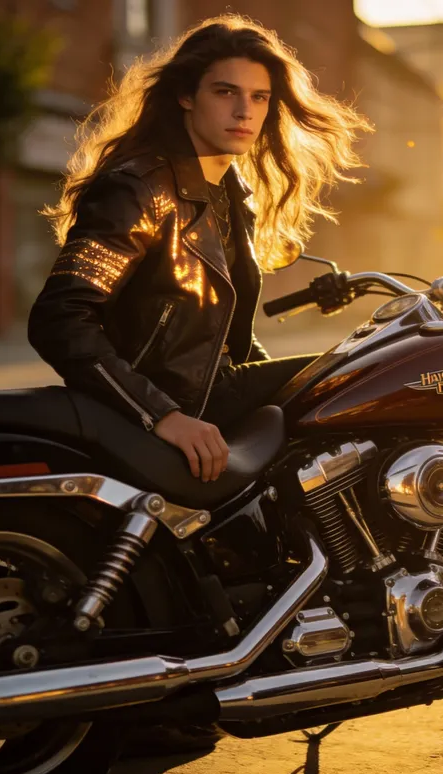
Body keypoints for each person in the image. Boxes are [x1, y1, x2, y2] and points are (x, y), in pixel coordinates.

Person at [29, 13, 370, 483]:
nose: (244, 111)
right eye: (225, 92)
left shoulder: (232, 195)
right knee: (356, 377)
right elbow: (60, 318)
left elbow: (227, 341)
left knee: (371, 373)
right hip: (173, 400)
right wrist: (161, 415)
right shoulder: (138, 190)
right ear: (185, 95)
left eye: (259, 97)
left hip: (212, 391)